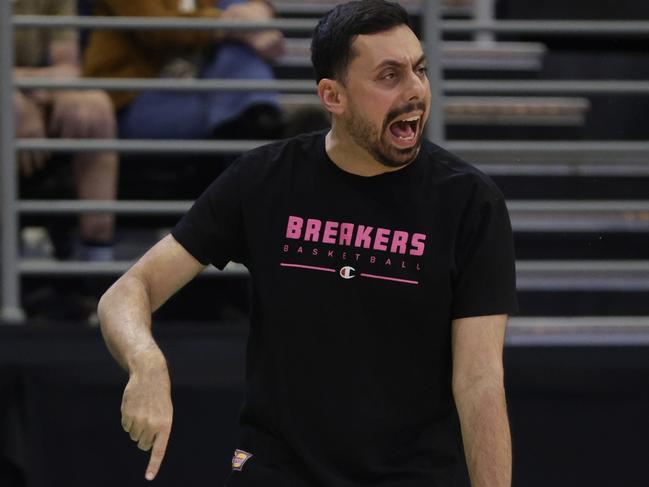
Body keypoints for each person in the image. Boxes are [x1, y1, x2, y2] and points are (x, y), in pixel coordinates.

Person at [97, 1, 518, 486]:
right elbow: (129, 291)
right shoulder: (264, 180)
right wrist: (145, 361)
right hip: (281, 470)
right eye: (389, 76)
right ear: (332, 96)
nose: (416, 91)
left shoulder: (469, 202)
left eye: (419, 70)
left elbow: (479, 381)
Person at [83, 0, 285, 140]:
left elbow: (244, 10)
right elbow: (160, 29)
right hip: (131, 99)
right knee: (237, 123)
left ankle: (257, 116)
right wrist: (230, 23)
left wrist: (259, 9)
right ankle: (263, 119)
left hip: (198, 91)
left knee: (235, 10)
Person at [14, 0, 118, 262]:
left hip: (28, 90)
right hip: (17, 96)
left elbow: (68, 68)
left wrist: (38, 90)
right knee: (10, 109)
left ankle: (97, 267)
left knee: (95, 109)